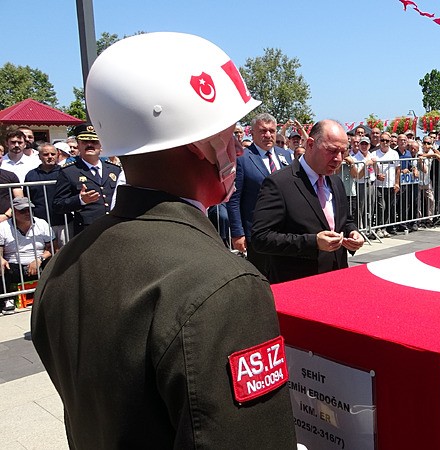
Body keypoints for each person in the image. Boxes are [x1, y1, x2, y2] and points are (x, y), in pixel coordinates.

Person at [31, 32, 296, 448]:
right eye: (230, 133)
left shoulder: (64, 265)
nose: (238, 149)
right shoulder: (224, 285)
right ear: (200, 143)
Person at [250, 119, 364, 283]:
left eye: (343, 152)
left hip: (338, 277)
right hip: (299, 284)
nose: (339, 159)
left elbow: (344, 220)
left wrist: (352, 233)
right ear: (310, 144)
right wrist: (313, 242)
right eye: (332, 151)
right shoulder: (279, 183)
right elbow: (261, 238)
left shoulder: (336, 182)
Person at [226, 113, 293, 274]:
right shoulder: (242, 159)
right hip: (257, 233)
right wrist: (237, 233)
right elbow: (234, 199)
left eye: (271, 130)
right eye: (263, 131)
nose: (268, 135)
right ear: (253, 133)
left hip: (286, 231)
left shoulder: (285, 156)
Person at [52, 123, 122, 235]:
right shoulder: (69, 171)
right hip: (87, 230)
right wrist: (80, 200)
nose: (90, 145)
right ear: (78, 145)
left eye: (94, 142)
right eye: (85, 142)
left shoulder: (114, 169)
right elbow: (58, 205)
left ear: (101, 146)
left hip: (115, 227)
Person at [1, 197, 54, 313]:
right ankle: (7, 298)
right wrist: (1, 259)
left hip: (39, 261)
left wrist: (39, 259)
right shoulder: (3, 227)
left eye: (29, 210)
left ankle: (52, 295)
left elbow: (54, 248)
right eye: (22, 211)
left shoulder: (42, 223)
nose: (27, 213)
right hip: (14, 265)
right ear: (13, 212)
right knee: (2, 266)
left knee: (53, 263)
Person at [24, 143, 69, 247]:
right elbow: (27, 198)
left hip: (63, 222)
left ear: (57, 155)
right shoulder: (31, 175)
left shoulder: (66, 173)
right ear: (39, 156)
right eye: (46, 154)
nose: (50, 157)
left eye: (52, 154)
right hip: (39, 224)